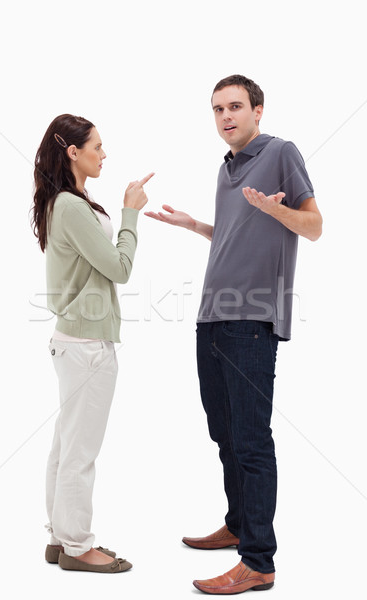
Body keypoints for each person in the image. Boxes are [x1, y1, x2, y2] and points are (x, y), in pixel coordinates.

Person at [145, 74, 322, 594]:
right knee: (223, 434)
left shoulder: (281, 152)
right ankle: (238, 525)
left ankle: (258, 561)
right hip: (212, 316)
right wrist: (194, 226)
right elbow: (232, 236)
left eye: (236, 107)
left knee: (250, 439)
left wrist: (275, 209)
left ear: (258, 111)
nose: (226, 116)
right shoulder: (226, 168)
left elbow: (314, 227)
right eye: (218, 108)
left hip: (251, 320)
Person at [31, 113, 153, 573]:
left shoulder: (73, 201)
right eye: (98, 147)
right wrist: (130, 212)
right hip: (86, 344)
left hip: (76, 340)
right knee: (79, 451)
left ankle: (60, 537)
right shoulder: (70, 205)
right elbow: (120, 268)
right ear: (73, 152)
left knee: (67, 445)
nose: (105, 154)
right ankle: (78, 546)